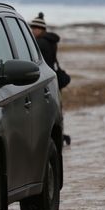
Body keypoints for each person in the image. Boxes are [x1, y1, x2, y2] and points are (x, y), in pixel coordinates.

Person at [30, 12, 71, 146]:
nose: (32, 31)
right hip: (54, 80)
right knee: (57, 107)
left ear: (41, 30)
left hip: (44, 80)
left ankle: (51, 137)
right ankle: (60, 134)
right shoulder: (50, 41)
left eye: (34, 28)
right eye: (31, 28)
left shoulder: (39, 43)